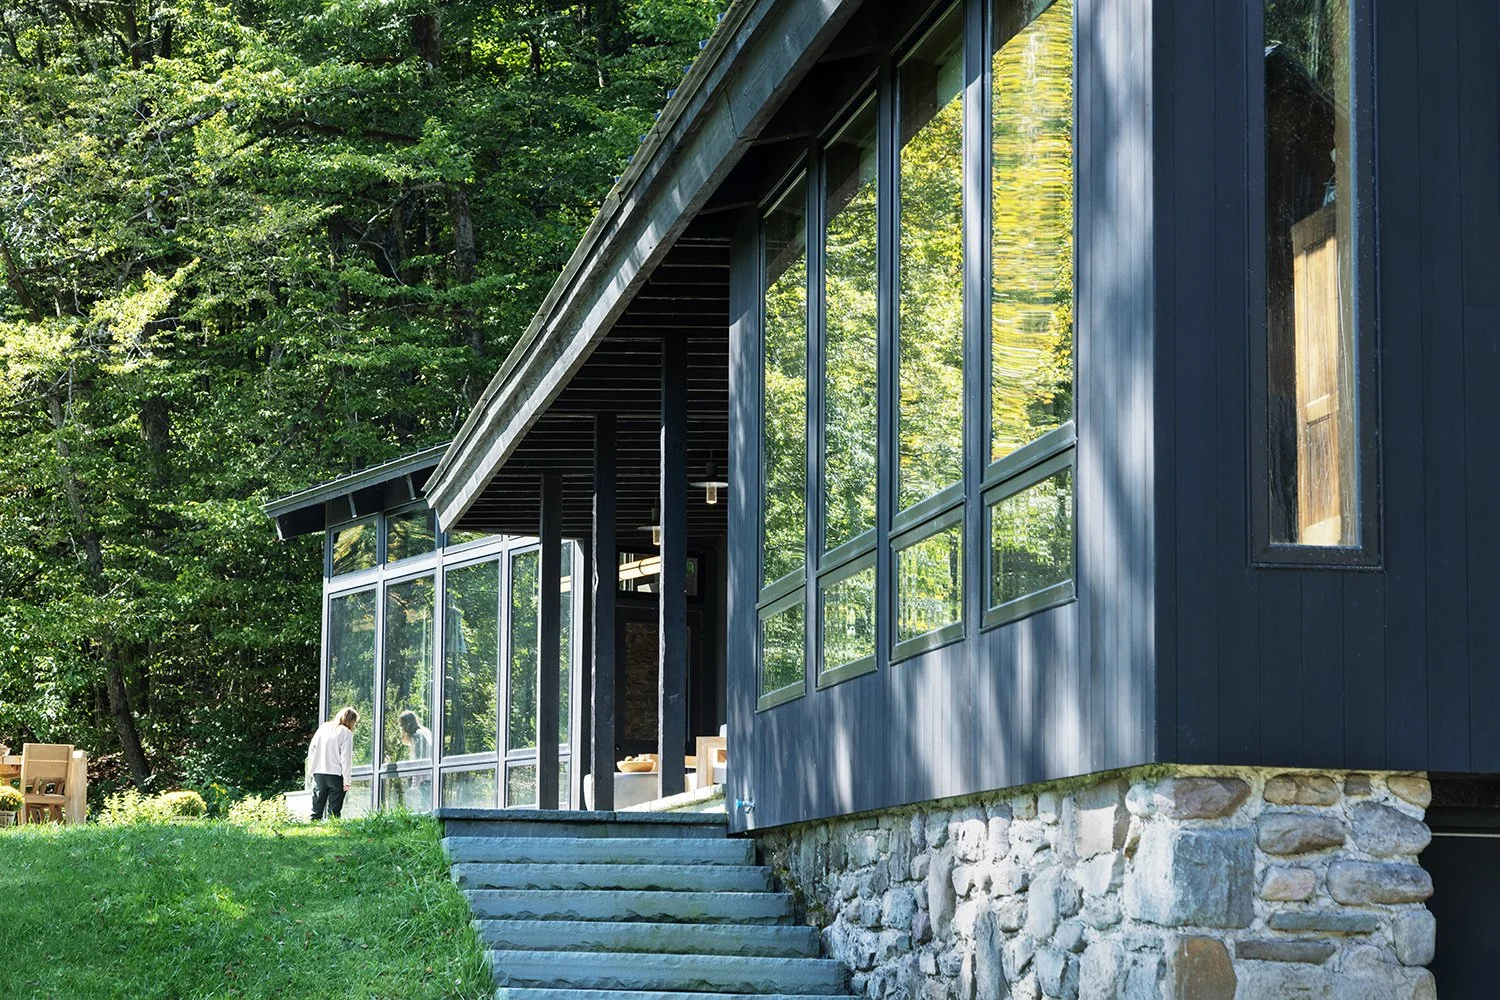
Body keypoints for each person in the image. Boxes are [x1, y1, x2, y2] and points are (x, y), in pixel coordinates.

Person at [306, 707, 357, 820]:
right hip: (336, 775)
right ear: (351, 721)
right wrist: (347, 780)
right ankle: (334, 830)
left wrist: (311, 770)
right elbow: (346, 758)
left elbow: (312, 749)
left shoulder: (323, 728)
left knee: (316, 810)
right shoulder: (346, 733)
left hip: (319, 773)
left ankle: (313, 830)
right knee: (334, 811)